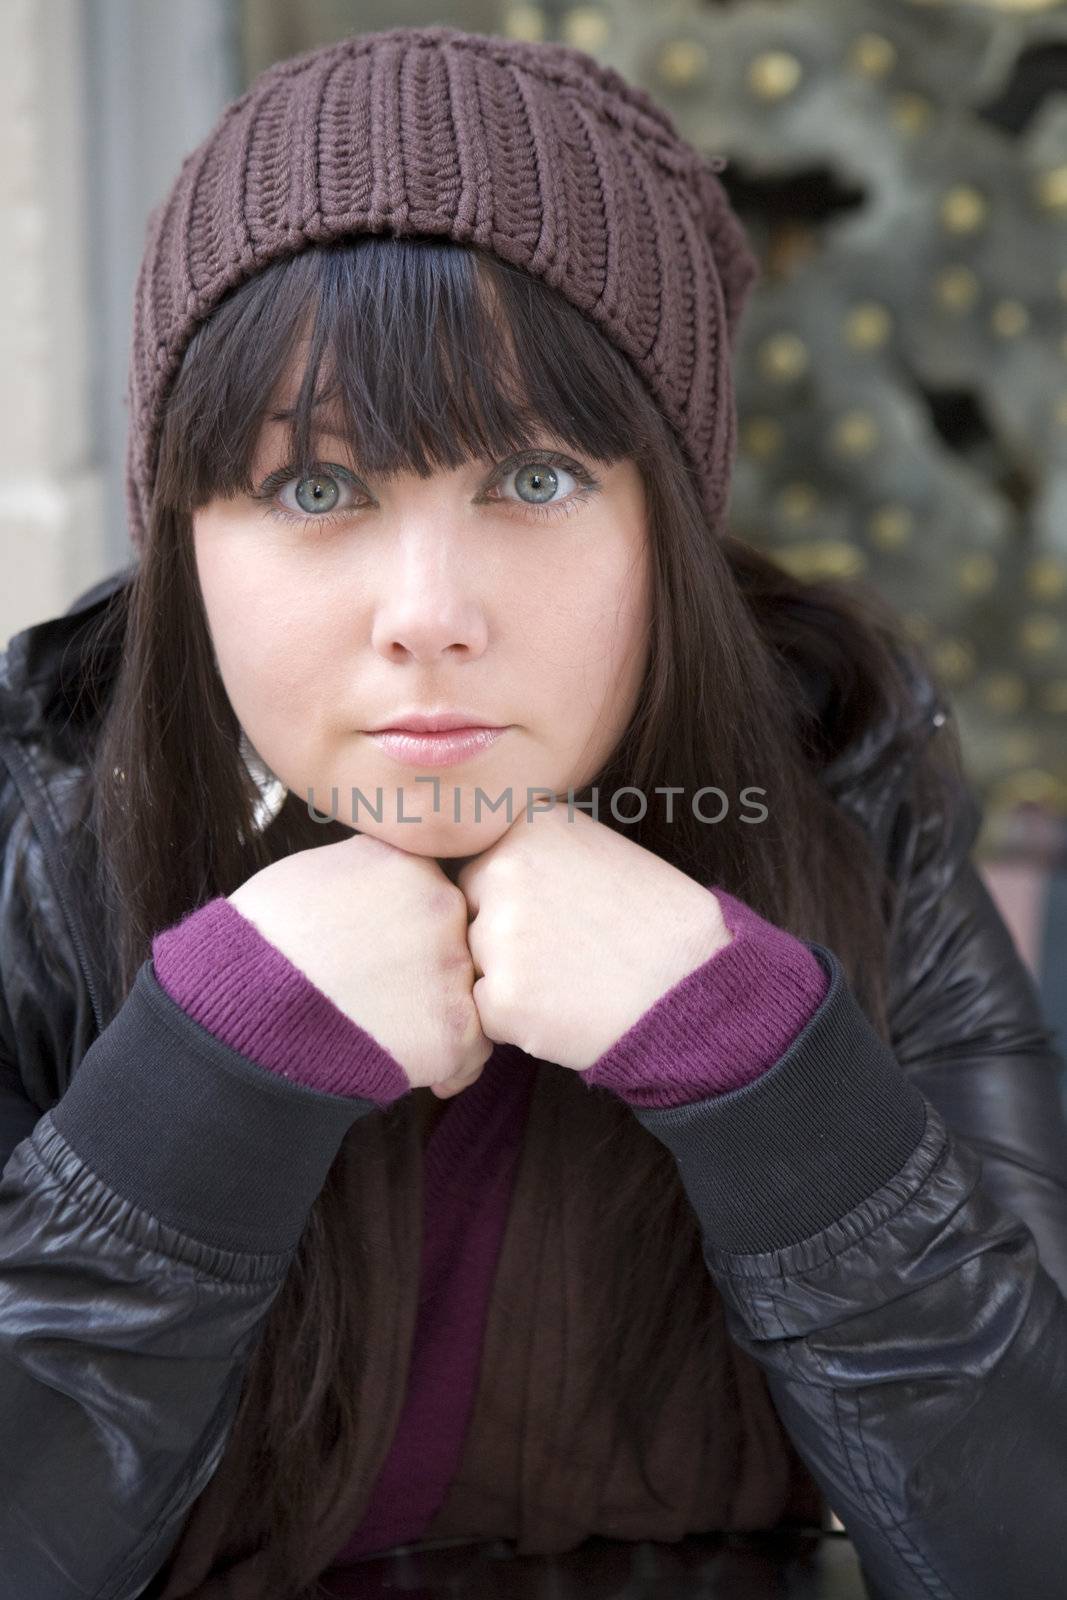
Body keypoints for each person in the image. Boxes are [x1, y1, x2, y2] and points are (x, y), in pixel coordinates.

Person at [0, 23, 1064, 1600]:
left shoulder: (843, 796)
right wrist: (201, 1087)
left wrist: (765, 1072)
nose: (429, 614)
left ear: (671, 523)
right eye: (315, 488)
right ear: (186, 533)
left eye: (539, 479)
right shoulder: (47, 835)